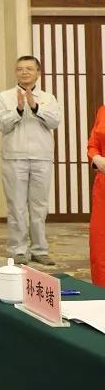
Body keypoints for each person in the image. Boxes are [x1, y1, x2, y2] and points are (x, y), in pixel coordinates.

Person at [0, 55, 61, 265]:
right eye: (20, 69)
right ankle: (18, 249)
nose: (24, 72)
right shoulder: (5, 97)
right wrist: (18, 110)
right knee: (16, 206)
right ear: (15, 72)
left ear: (38, 73)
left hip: (41, 157)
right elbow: (2, 124)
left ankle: (40, 249)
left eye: (29, 69)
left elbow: (55, 122)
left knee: (39, 206)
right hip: (14, 157)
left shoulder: (48, 98)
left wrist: (35, 107)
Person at [88, 104, 105, 286]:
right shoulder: (102, 111)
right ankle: (101, 292)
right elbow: (92, 145)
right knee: (100, 243)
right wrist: (96, 159)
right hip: (103, 186)